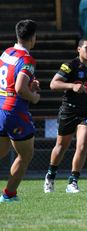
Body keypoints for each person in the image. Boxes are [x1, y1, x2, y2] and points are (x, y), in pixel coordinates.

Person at [43, 37, 87, 193]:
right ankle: (50, 175)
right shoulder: (70, 66)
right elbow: (53, 83)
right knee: (61, 146)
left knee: (82, 145)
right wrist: (72, 85)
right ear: (79, 49)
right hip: (69, 110)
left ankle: (73, 181)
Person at [0, 19, 40, 202]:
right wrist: (34, 96)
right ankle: (9, 195)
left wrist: (29, 84)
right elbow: (20, 88)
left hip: (0, 107)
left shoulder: (6, 53)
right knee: (26, 154)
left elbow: (9, 80)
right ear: (33, 38)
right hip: (14, 111)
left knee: (1, 152)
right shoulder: (27, 59)